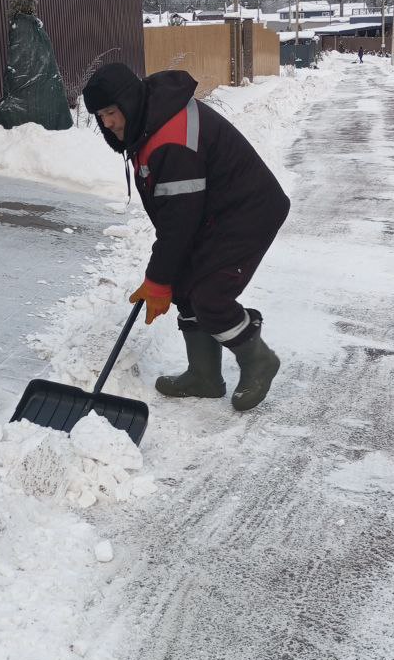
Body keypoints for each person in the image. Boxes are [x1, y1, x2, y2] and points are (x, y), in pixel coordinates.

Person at [82, 63, 290, 412]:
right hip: (212, 212)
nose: (108, 124)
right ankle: (204, 376)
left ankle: (259, 360)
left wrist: (157, 279)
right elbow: (176, 216)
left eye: (111, 113)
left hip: (248, 212)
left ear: (129, 103)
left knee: (210, 296)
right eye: (101, 116)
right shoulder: (149, 121)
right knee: (183, 283)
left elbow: (178, 222)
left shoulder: (171, 138)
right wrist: (165, 277)